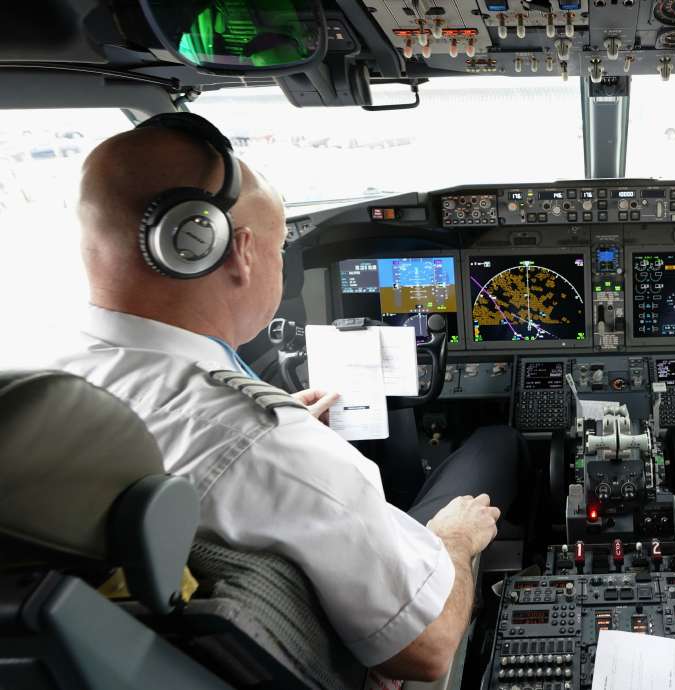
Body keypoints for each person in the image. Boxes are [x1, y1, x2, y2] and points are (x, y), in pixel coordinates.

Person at [56, 113, 525, 681]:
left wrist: (286, 437)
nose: (281, 266)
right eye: (280, 249)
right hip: (358, 663)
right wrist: (456, 539)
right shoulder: (263, 442)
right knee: (497, 442)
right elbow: (428, 649)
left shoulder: (45, 391)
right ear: (239, 252)